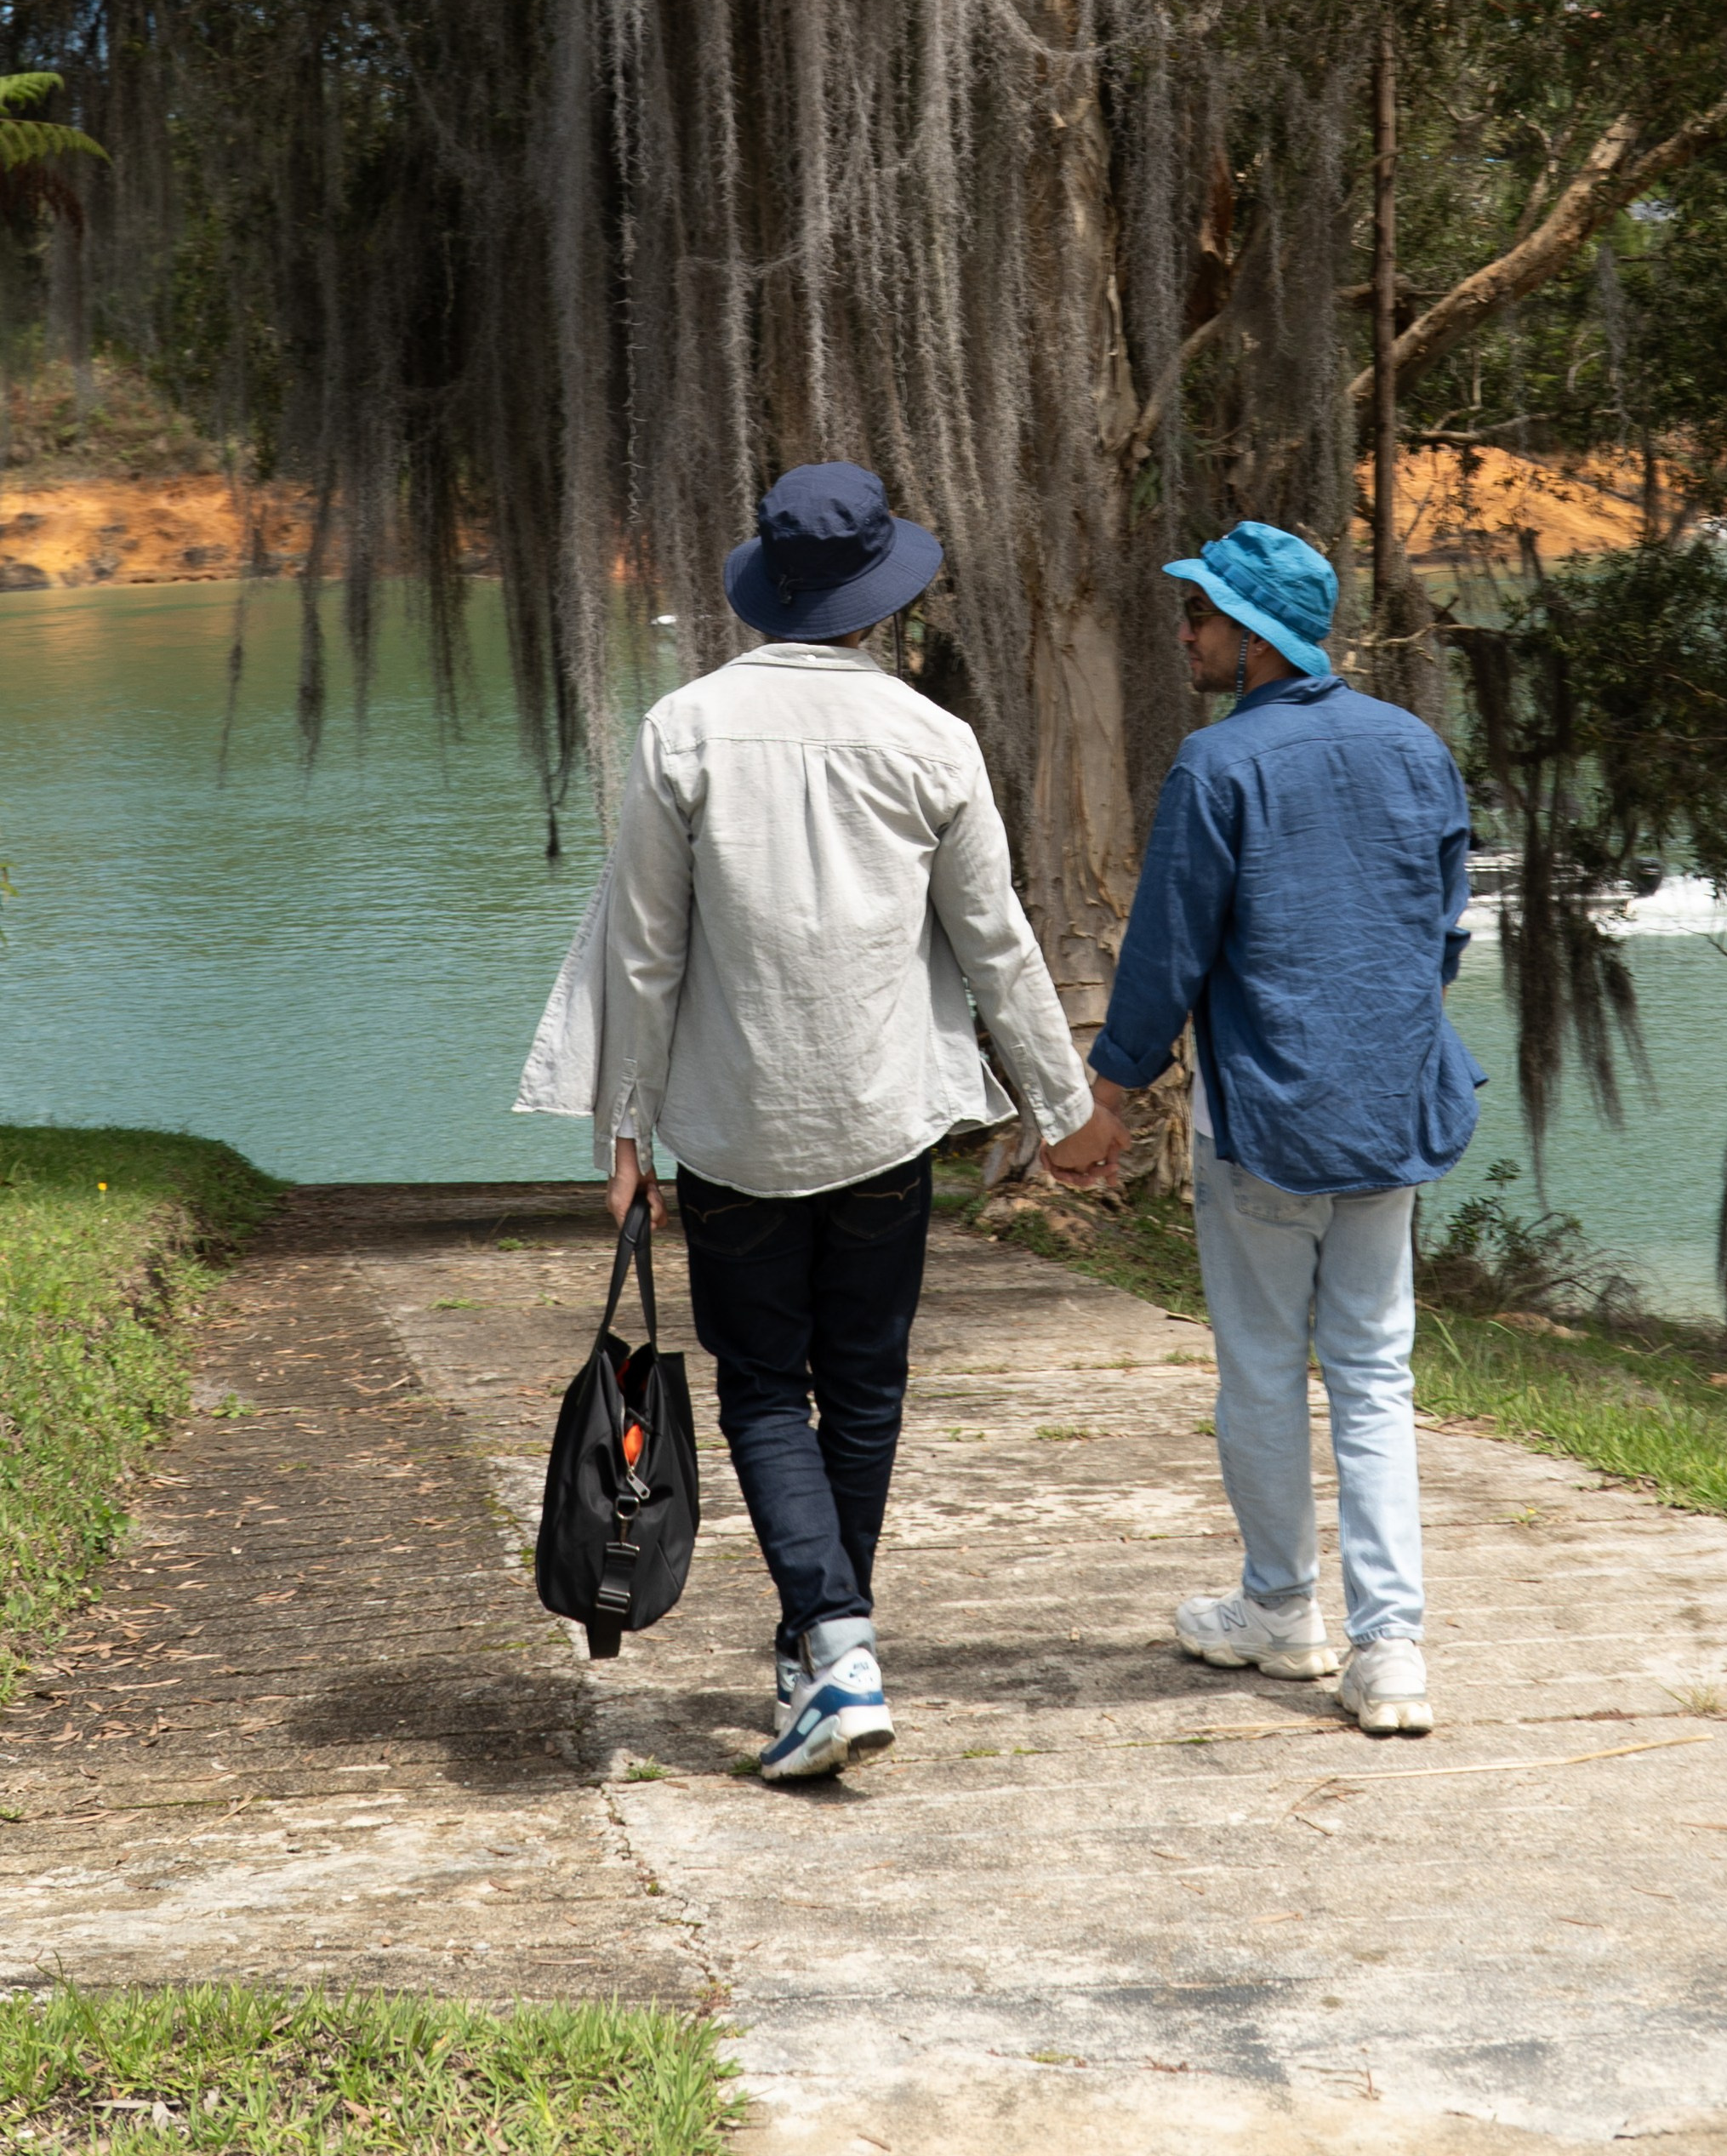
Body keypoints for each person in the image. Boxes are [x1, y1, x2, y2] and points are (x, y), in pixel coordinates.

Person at [529, 460, 1124, 1782]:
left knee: (762, 1388)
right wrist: (1063, 1107)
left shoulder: (682, 729)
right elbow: (996, 943)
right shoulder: (933, 739)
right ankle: (829, 1638)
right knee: (862, 1385)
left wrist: (622, 1138)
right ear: (880, 599)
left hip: (733, 1124)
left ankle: (830, 1640)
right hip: (883, 1118)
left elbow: (644, 954)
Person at [1086, 521, 1479, 1739]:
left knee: (1263, 1366)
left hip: (1260, 1114)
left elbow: (1165, 956)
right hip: (1391, 1110)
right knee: (1372, 1374)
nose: (1185, 635)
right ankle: (1394, 1653)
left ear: (1252, 634)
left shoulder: (1220, 768)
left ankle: (1281, 1609)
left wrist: (1109, 1095)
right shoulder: (1416, 748)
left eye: (1198, 615)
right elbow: (1446, 932)